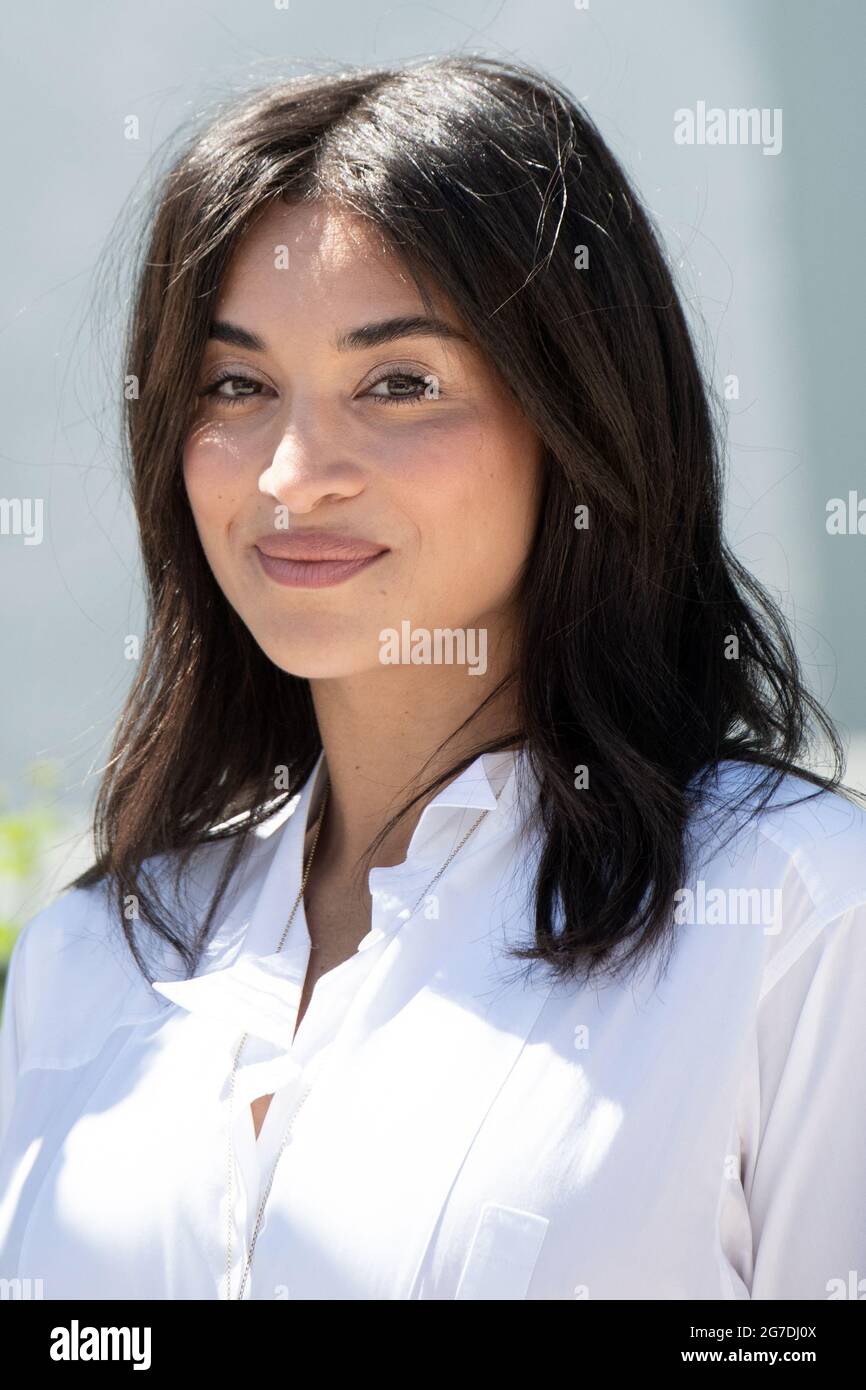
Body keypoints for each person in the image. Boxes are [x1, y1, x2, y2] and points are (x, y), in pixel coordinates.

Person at [1, 54, 865, 1302]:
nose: (293, 475)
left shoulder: (795, 912)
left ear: (578, 422)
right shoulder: (89, 958)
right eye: (236, 384)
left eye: (398, 384)